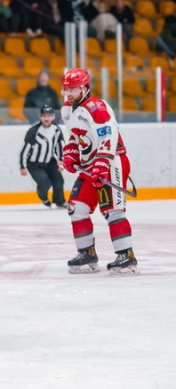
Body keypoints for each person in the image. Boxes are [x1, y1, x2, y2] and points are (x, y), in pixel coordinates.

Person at [59, 67, 138, 274]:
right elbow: (76, 138)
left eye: (73, 89)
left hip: (112, 162)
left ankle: (126, 256)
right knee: (76, 208)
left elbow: (107, 137)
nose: (69, 93)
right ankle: (87, 253)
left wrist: (102, 164)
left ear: (85, 88)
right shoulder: (67, 109)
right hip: (89, 166)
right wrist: (70, 153)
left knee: (112, 210)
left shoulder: (97, 108)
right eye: (66, 88)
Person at [20, 105, 66, 208]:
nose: (46, 118)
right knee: (45, 182)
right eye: (44, 116)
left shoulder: (56, 130)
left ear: (53, 117)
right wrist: (22, 166)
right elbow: (25, 149)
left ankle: (60, 201)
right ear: (40, 117)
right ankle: (43, 197)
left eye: (49, 116)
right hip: (34, 164)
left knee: (59, 181)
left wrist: (61, 160)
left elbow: (60, 145)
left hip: (50, 162)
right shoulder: (34, 131)